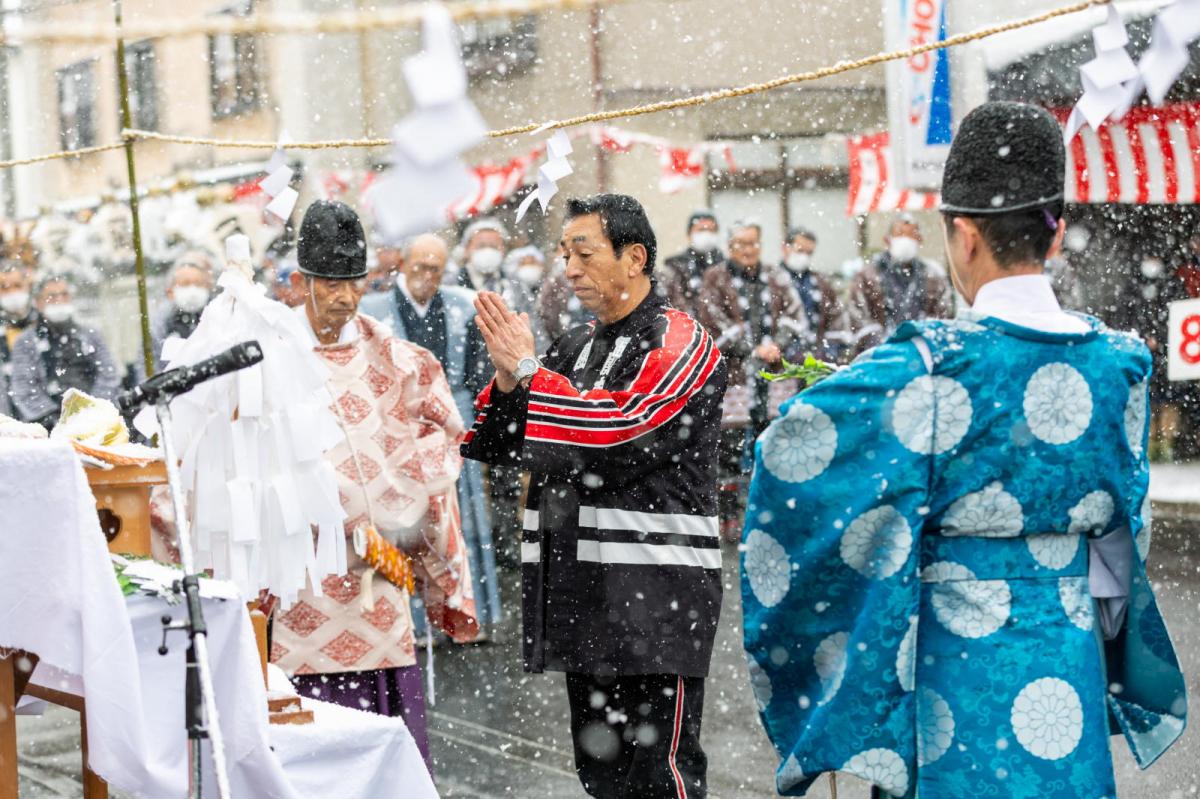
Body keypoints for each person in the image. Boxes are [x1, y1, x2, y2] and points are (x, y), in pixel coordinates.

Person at [741, 101, 1186, 798]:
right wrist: (1105, 656)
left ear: (964, 237)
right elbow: (1124, 537)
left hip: (956, 672)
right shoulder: (1121, 364)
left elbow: (788, 458)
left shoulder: (930, 364)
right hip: (1067, 668)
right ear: (1055, 231)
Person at [462, 194, 727, 799]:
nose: (570, 269)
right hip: (585, 596)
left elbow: (617, 433)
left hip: (659, 596)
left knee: (662, 777)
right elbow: (503, 443)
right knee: (601, 778)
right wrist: (508, 379)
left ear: (635, 258)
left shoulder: (682, 338)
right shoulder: (573, 345)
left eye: (584, 253)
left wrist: (530, 376)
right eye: (565, 255)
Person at [271, 200, 477, 774]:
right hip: (299, 574)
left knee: (383, 737)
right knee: (302, 743)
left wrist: (409, 506)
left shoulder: (399, 358)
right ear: (299, 283)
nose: (344, 296)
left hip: (378, 562)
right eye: (329, 284)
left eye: (353, 282)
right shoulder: (266, 357)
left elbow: (445, 436)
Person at [360, 233, 502, 635]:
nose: (427, 276)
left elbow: (478, 371)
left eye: (435, 269)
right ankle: (413, 622)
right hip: (398, 424)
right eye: (420, 266)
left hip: (453, 421)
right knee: (406, 521)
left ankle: (467, 612)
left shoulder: (460, 304)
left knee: (462, 520)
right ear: (402, 265)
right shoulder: (375, 310)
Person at [696, 220, 806, 541]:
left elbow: (794, 315)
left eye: (754, 243)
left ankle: (767, 511)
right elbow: (712, 320)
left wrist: (777, 344)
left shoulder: (775, 276)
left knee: (771, 442)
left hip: (773, 373)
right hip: (734, 378)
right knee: (728, 448)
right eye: (742, 243)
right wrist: (749, 348)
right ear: (730, 245)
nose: (748, 250)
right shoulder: (715, 278)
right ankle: (729, 514)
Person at [10, 274, 119, 427]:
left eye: (64, 294)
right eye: (52, 296)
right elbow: (24, 388)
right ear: (39, 302)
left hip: (96, 422)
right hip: (46, 427)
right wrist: (55, 420)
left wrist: (93, 410)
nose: (59, 300)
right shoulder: (26, 341)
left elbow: (109, 376)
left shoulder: (91, 335)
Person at [847, 212, 953, 355]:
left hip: (923, 356)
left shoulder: (933, 277)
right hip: (877, 357)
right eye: (900, 233)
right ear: (887, 240)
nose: (906, 240)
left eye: (911, 235)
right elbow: (858, 317)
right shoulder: (866, 276)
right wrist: (881, 345)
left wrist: (922, 343)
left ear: (919, 240)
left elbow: (943, 318)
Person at [779, 226, 849, 363]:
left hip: (818, 353)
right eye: (800, 251)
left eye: (809, 253)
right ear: (785, 248)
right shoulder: (773, 281)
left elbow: (836, 319)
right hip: (783, 358)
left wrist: (829, 351)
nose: (804, 257)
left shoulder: (821, 282)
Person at [151, 251, 215, 369]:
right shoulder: (161, 323)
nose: (192, 291)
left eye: (198, 284)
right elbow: (150, 364)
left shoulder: (217, 316)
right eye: (185, 284)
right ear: (170, 290)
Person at [657, 210, 724, 317]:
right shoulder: (676, 266)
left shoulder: (726, 266)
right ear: (689, 234)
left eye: (711, 230)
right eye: (701, 230)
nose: (707, 235)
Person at [0, 262, 37, 416]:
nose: (12, 293)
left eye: (17, 285)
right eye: (4, 287)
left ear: (27, 286)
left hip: (49, 418)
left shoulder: (45, 325)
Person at [455, 217, 508, 294]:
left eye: (494, 246)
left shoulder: (515, 284)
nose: (488, 252)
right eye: (481, 246)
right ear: (466, 249)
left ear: (503, 250)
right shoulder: (452, 283)